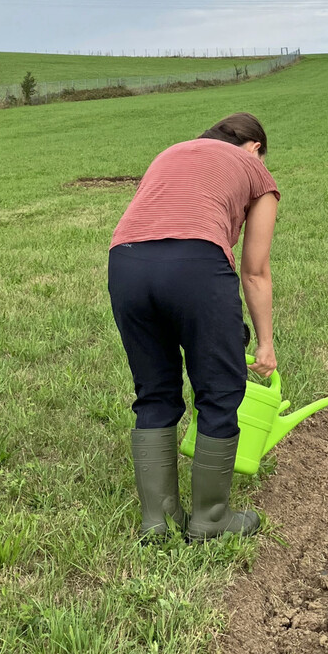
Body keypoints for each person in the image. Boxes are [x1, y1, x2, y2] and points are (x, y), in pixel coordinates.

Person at [107, 112, 279, 541]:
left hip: (125, 262)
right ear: (255, 147)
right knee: (220, 392)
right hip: (196, 264)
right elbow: (255, 270)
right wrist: (265, 342)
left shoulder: (170, 153)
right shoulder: (256, 170)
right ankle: (210, 520)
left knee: (155, 390)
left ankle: (158, 521)